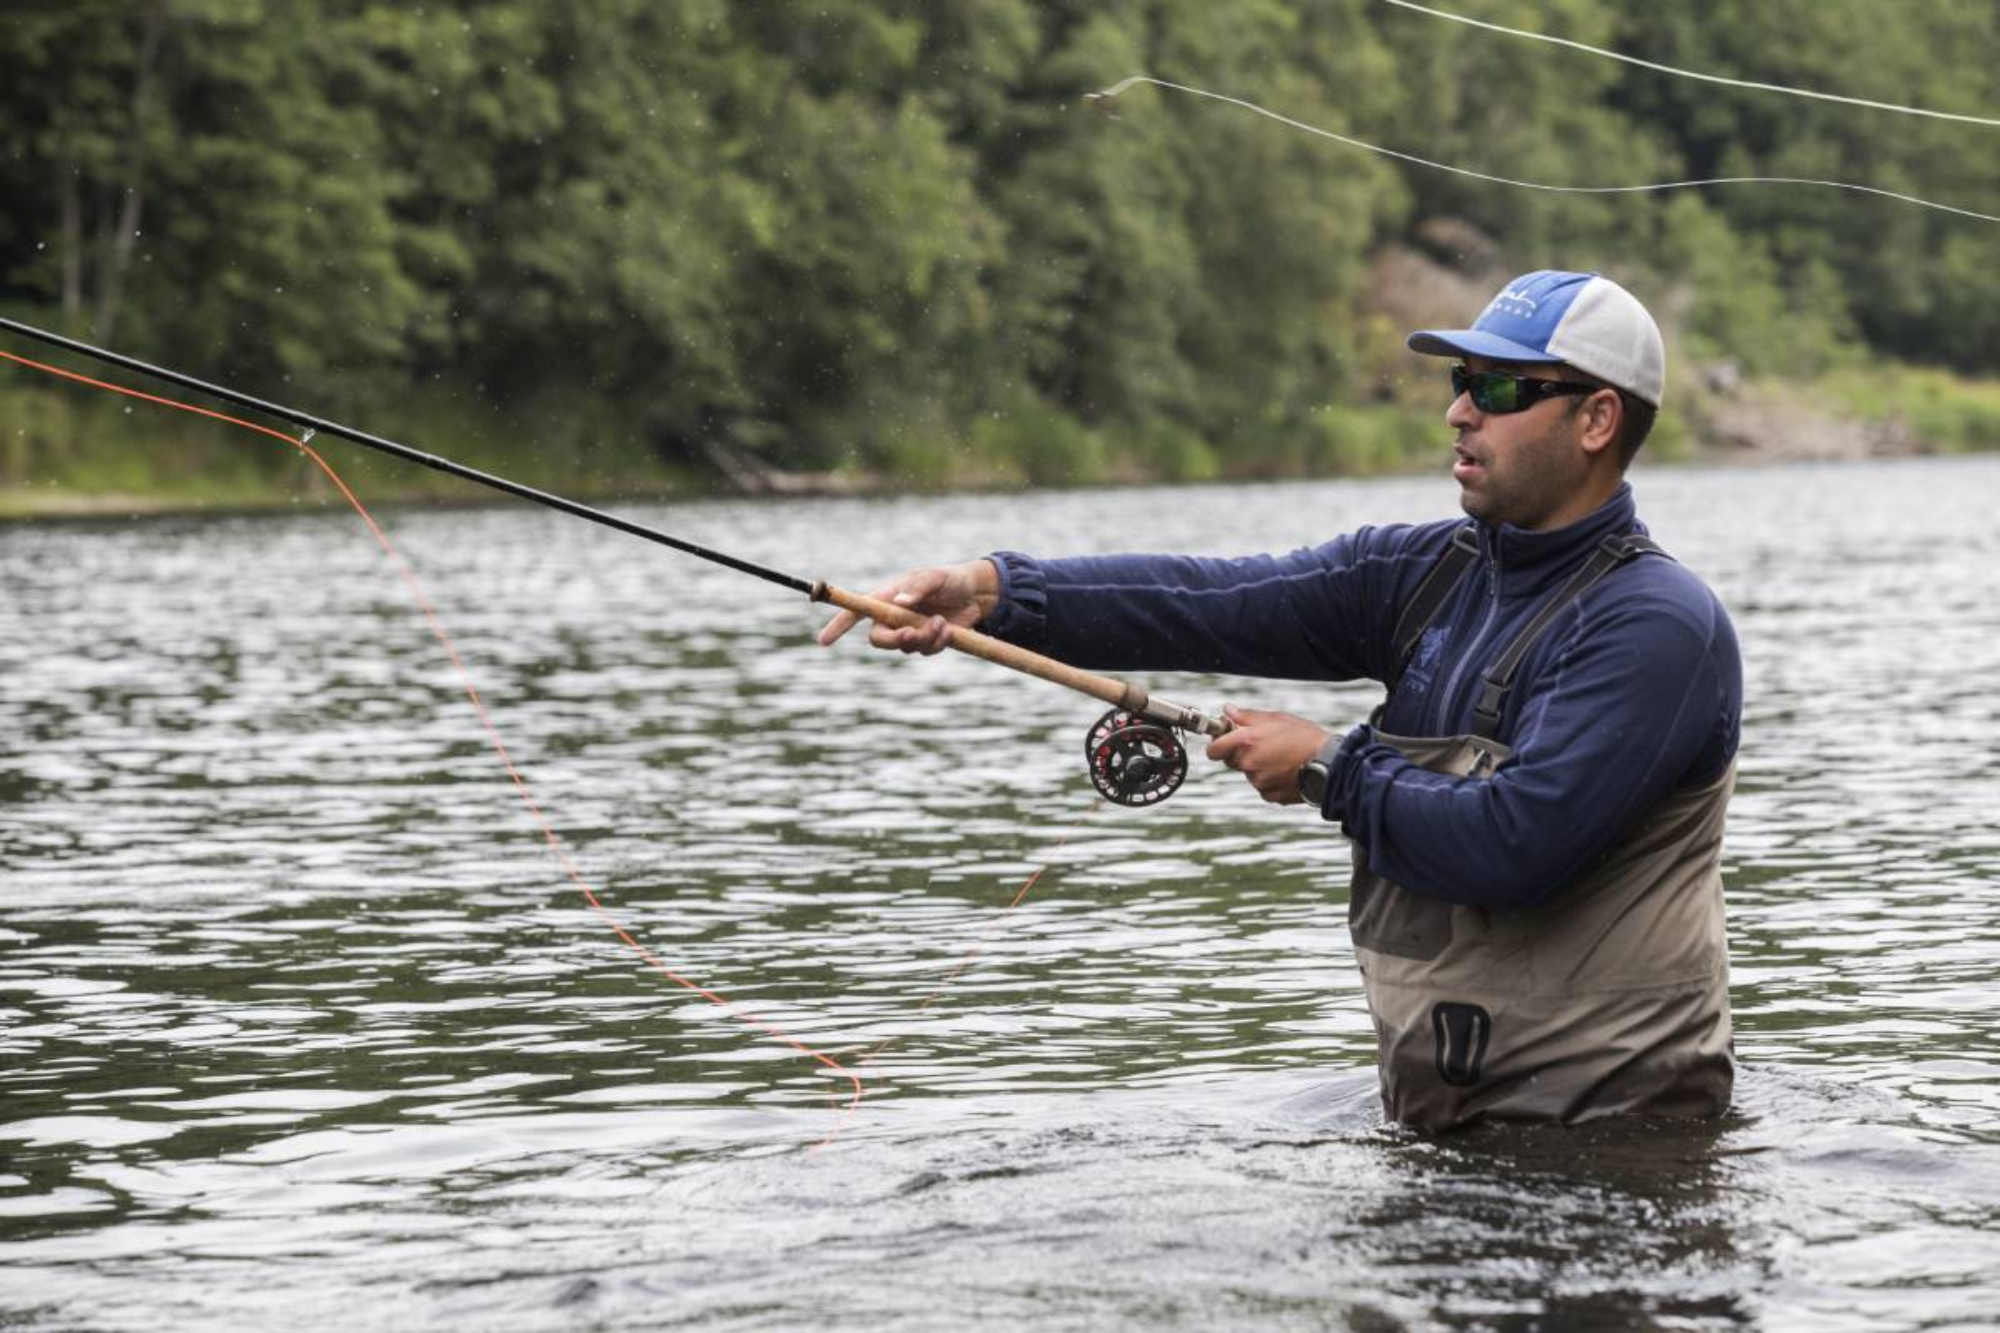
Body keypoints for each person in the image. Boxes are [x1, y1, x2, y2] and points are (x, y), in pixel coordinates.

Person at [819, 270, 1742, 1130]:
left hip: (1623, 1135)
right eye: (1461, 381)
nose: (1459, 412)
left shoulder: (1657, 626)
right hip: (1452, 1126)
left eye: (1499, 390)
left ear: (1596, 420)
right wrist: (995, 593)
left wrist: (1329, 768)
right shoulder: (1421, 575)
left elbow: (1517, 840)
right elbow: (1213, 601)